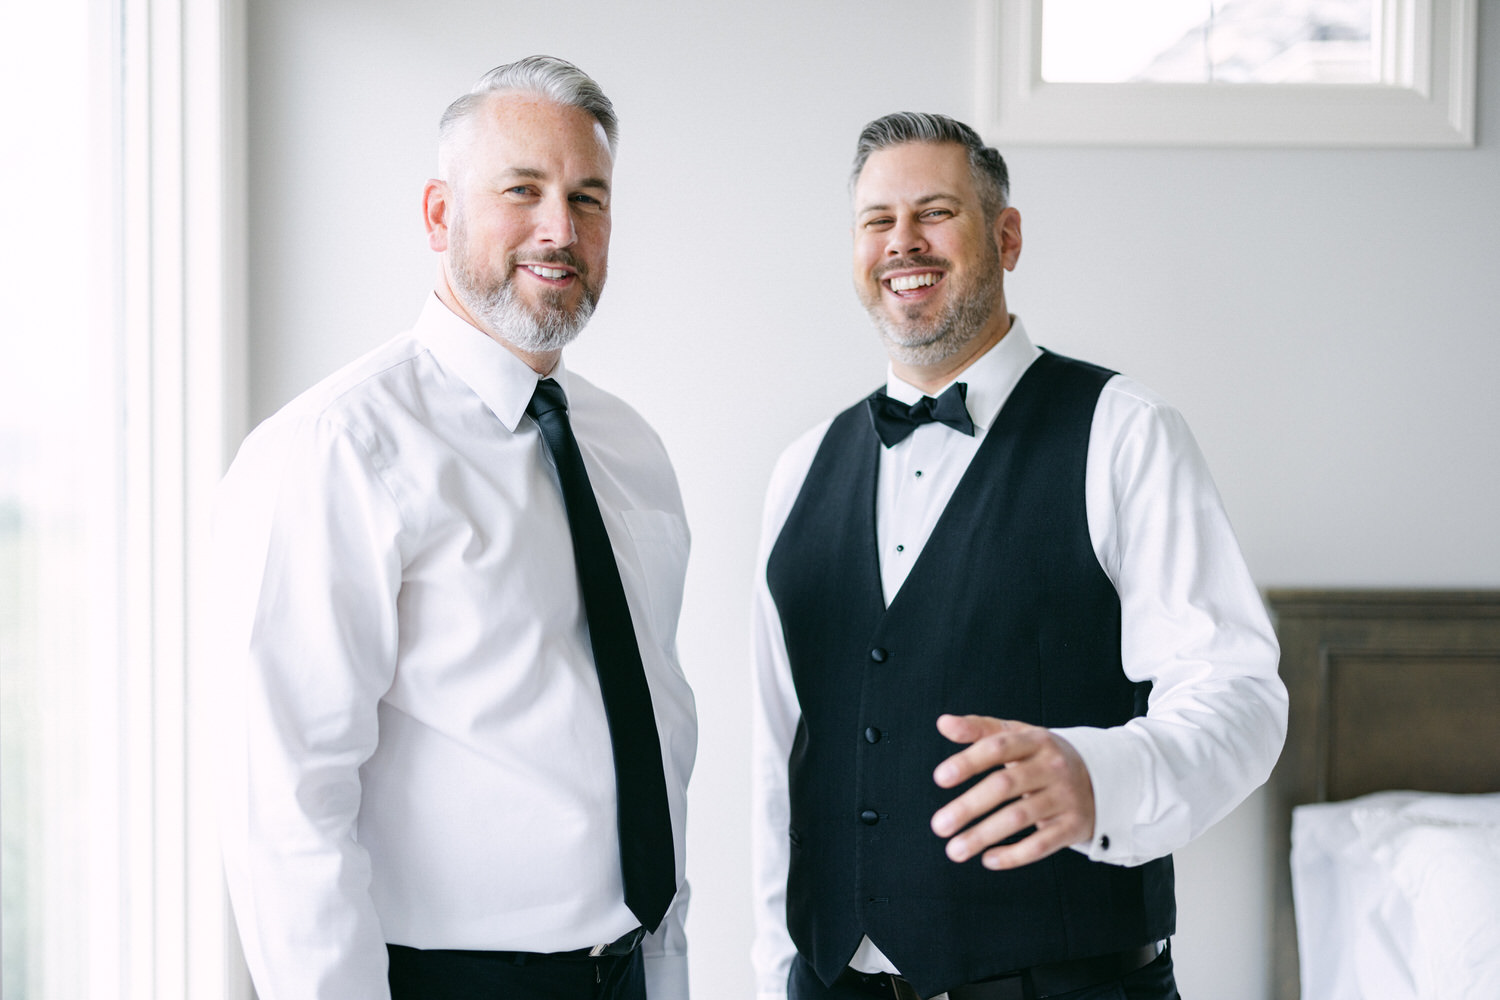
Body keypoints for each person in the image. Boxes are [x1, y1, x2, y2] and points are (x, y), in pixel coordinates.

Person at [749, 112, 1287, 1000]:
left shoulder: (1126, 434)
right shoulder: (799, 469)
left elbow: (1241, 698)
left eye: (934, 212)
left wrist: (1098, 778)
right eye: (877, 221)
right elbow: (782, 759)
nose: (902, 243)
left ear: (1006, 236)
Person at [213, 55, 696, 1000]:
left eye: (589, 198)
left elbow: (655, 734)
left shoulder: (629, 447)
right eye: (524, 190)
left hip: (629, 972)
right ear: (440, 214)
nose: (560, 229)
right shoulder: (335, 447)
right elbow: (288, 806)